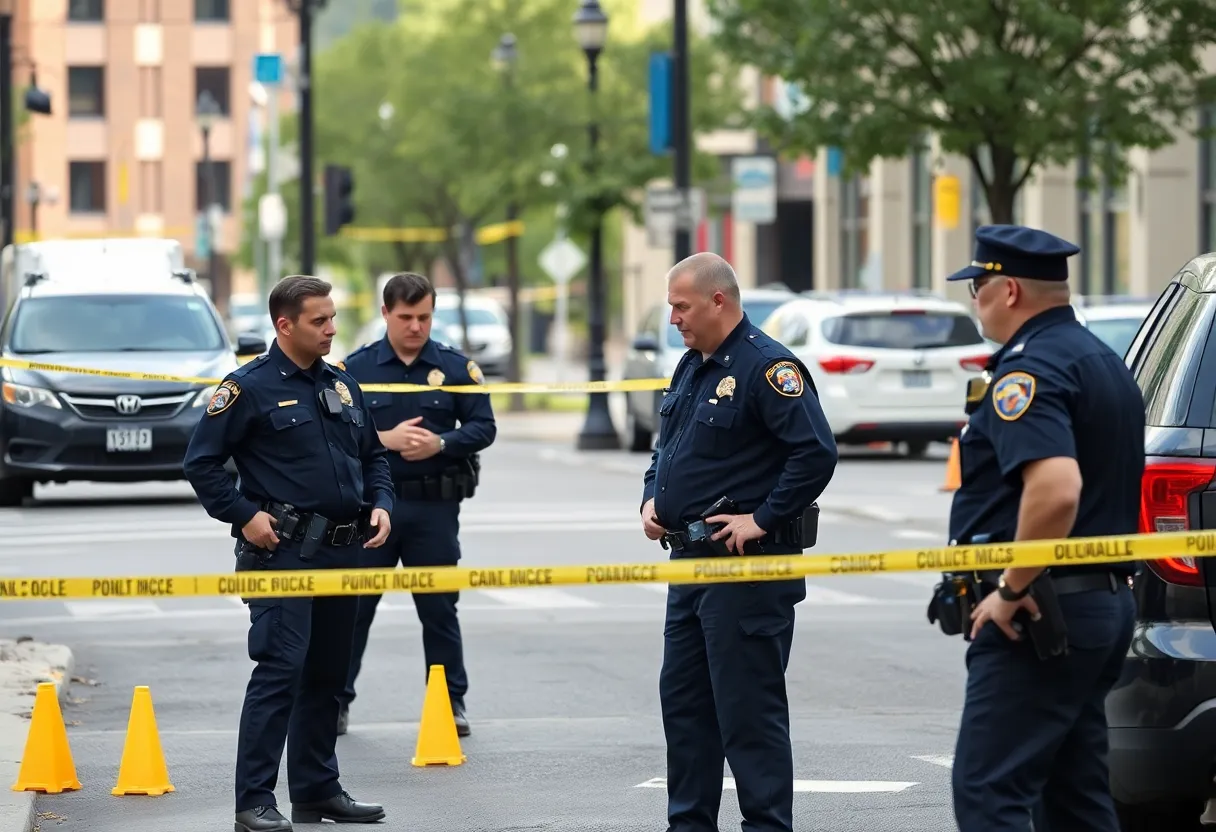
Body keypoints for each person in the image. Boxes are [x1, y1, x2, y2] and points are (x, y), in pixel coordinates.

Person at [940, 225, 1143, 832]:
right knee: (1075, 799)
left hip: (1040, 613)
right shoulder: (1101, 360)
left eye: (976, 285)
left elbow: (1056, 490)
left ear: (1007, 291)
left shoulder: (1029, 372)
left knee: (987, 790)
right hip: (1096, 606)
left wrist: (1010, 587)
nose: (972, 298)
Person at [183, 275, 396, 832]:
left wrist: (382, 503)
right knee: (280, 671)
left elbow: (373, 454)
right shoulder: (247, 387)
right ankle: (253, 801)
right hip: (283, 554)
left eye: (332, 318)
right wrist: (244, 515)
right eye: (319, 321)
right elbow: (200, 463)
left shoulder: (342, 384)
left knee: (327, 674)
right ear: (285, 325)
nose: (331, 329)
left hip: (344, 552)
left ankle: (317, 790)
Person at [640, 252, 838, 832]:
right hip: (690, 564)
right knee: (685, 707)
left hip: (745, 568)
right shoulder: (691, 367)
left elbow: (815, 453)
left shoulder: (767, 367)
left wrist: (764, 517)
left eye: (681, 305)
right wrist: (653, 498)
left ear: (718, 301)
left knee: (748, 715)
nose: (673, 317)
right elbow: (666, 448)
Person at [338, 272, 496, 738]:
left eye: (424, 317)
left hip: (434, 508)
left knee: (439, 609)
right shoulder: (356, 369)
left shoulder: (455, 368)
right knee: (354, 608)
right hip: (373, 511)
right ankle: (336, 701)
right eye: (405, 317)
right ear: (385, 313)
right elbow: (335, 435)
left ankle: (450, 703)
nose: (415, 326)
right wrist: (382, 439)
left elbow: (484, 427)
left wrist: (442, 444)